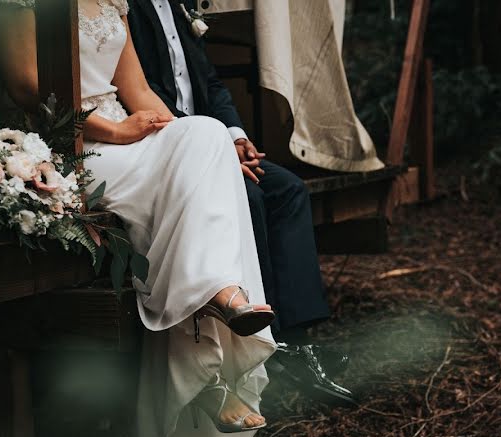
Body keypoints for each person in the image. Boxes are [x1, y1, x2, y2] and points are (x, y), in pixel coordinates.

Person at [0, 0, 282, 437]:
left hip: (133, 142)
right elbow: (30, 90)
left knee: (206, 136)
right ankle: (220, 325)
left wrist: (185, 141)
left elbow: (140, 90)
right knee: (206, 168)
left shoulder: (111, 0)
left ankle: (217, 294)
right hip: (75, 151)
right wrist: (117, 129)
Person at [126, 0, 353, 402]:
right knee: (247, 197)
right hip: (168, 146)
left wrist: (236, 137)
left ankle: (296, 342)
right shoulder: (126, 8)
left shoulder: (180, 8)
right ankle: (260, 346)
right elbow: (140, 94)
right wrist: (211, 148)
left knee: (286, 190)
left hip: (214, 141)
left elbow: (210, 83)